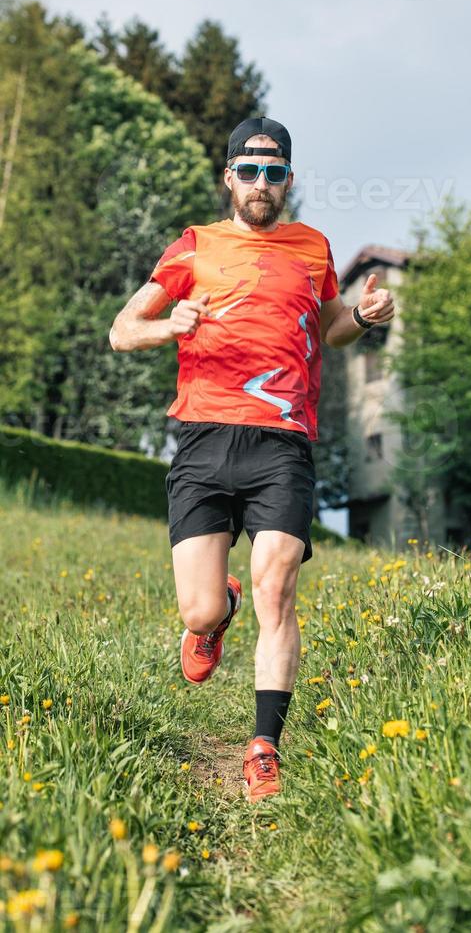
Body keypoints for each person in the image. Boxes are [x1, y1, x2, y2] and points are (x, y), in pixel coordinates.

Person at [109, 117, 395, 802]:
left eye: (275, 172)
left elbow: (328, 329)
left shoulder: (313, 248)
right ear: (229, 177)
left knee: (279, 588)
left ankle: (265, 745)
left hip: (282, 442)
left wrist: (362, 317)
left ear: (288, 180)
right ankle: (217, 614)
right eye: (250, 170)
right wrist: (167, 326)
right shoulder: (194, 247)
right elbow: (122, 332)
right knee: (201, 610)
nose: (261, 183)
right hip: (205, 439)